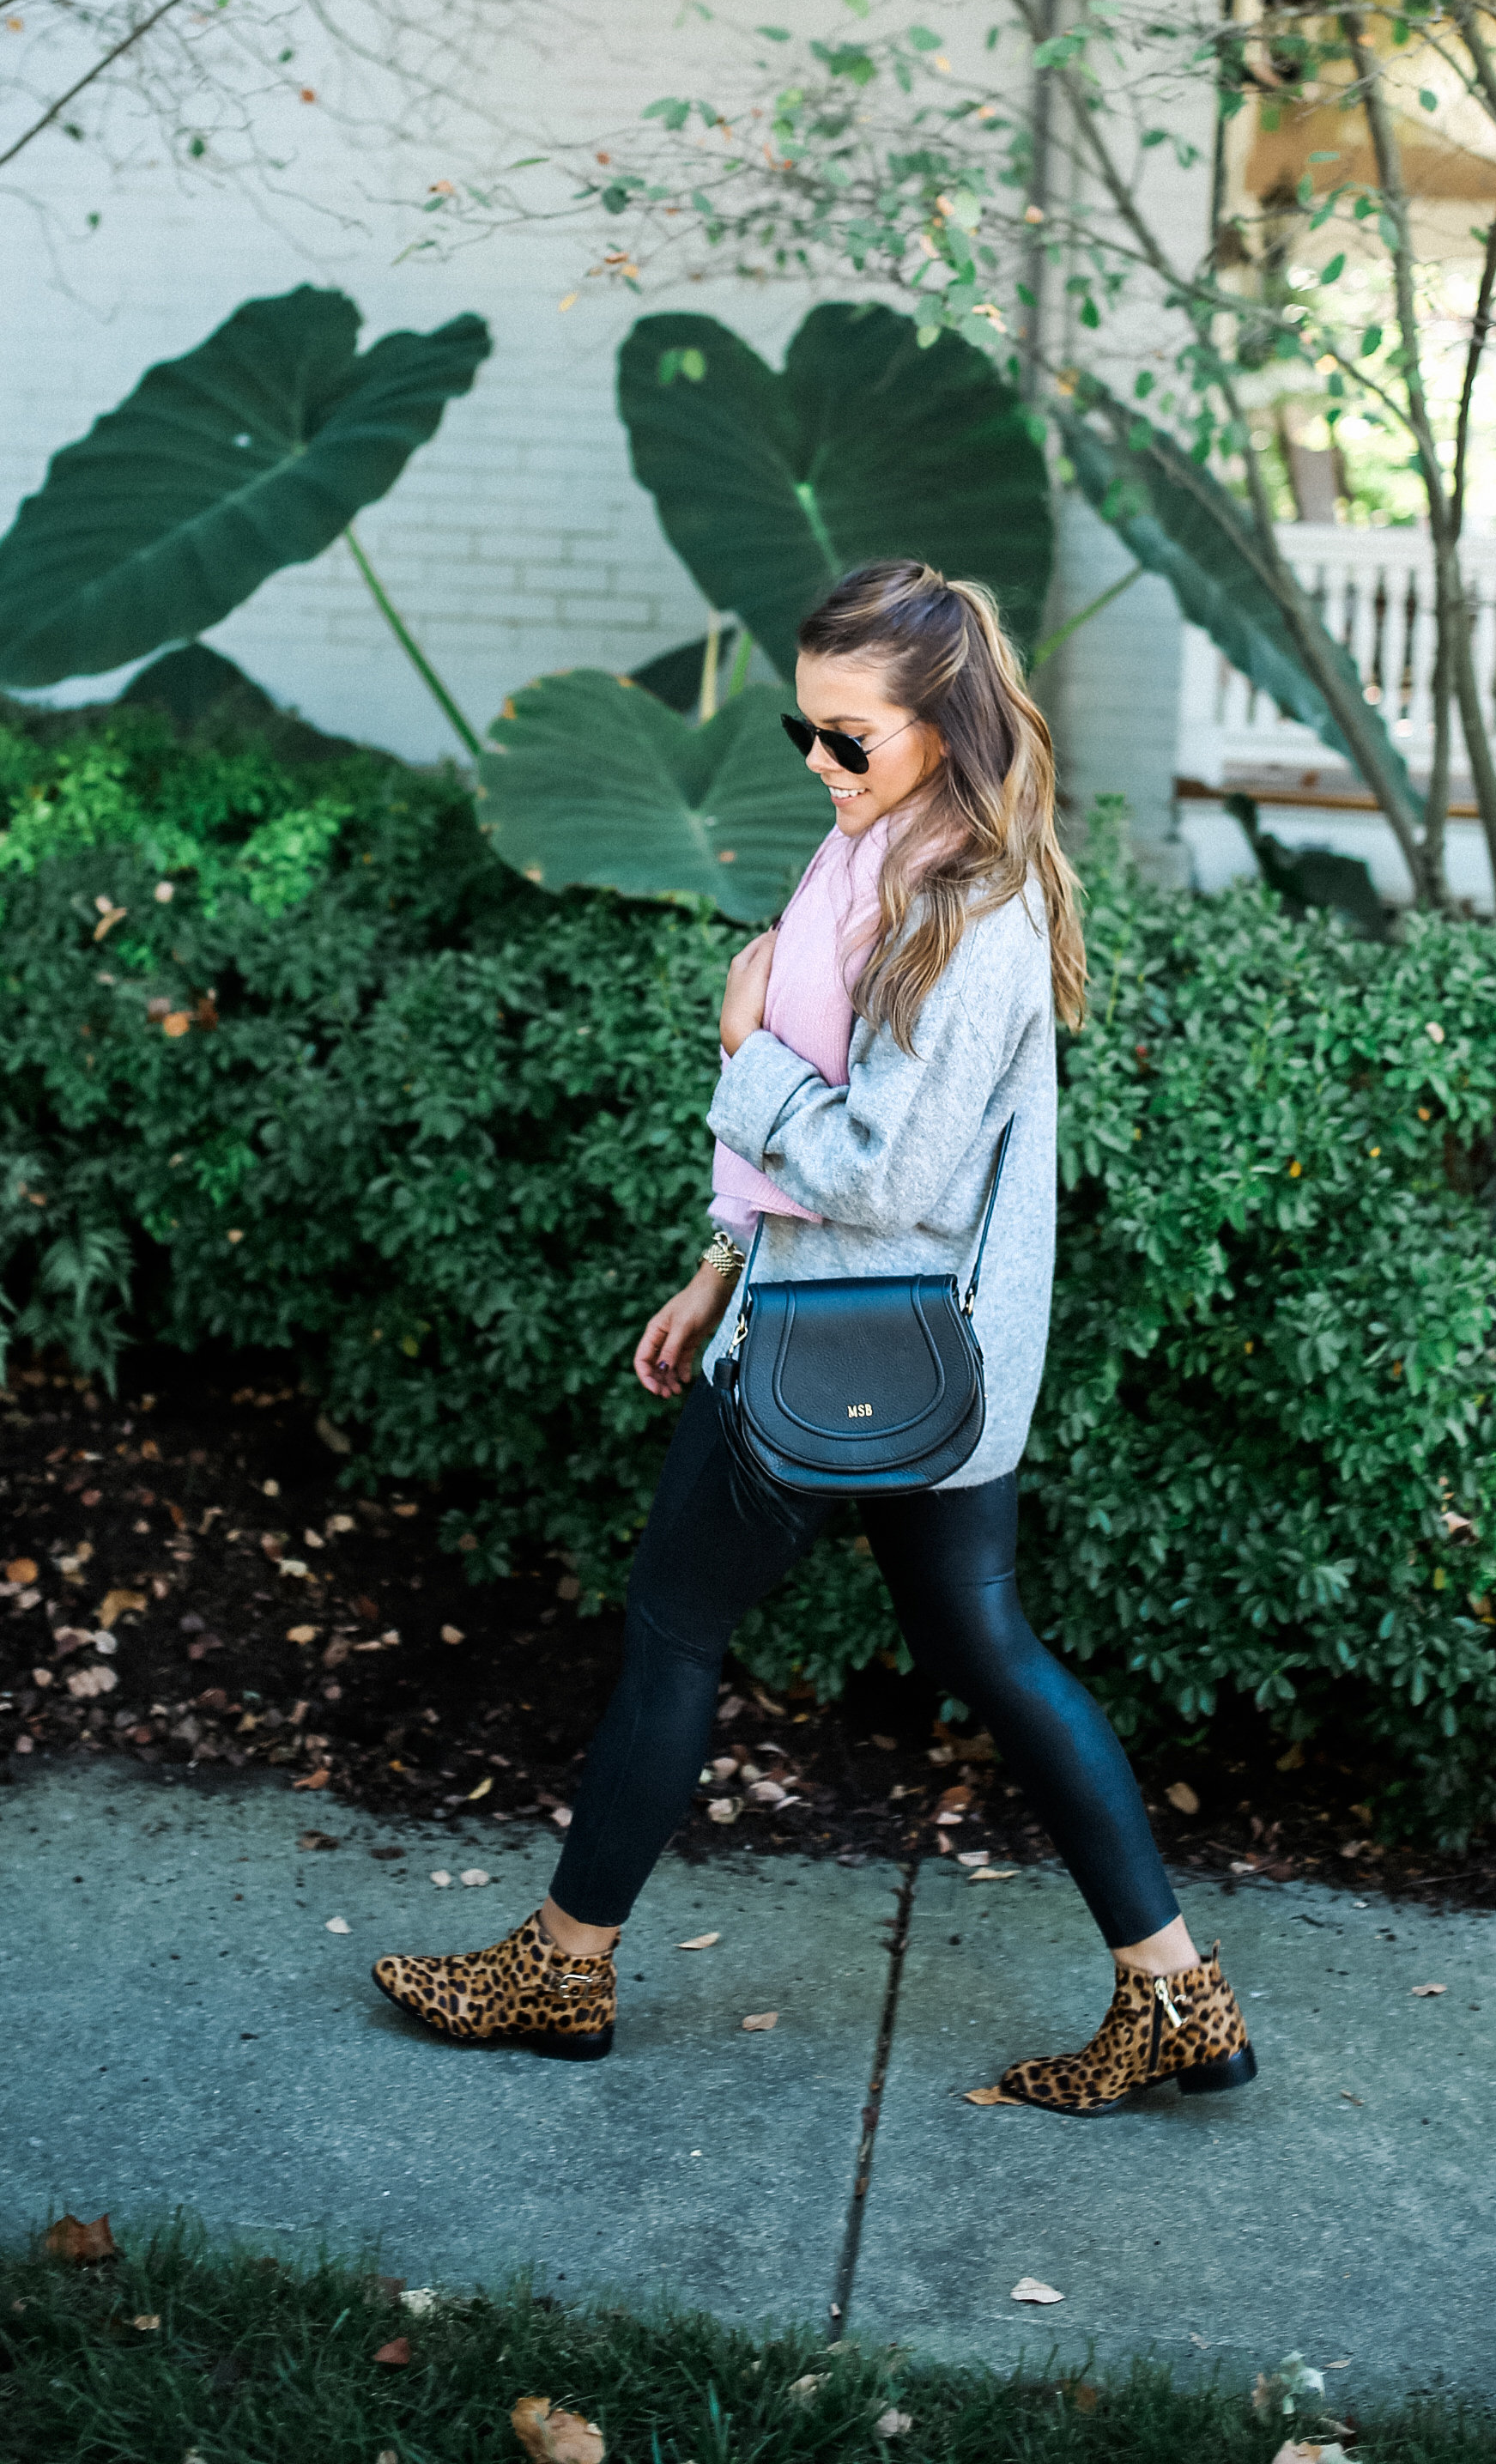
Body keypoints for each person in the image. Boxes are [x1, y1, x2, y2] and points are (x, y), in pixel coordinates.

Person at [373, 560, 1257, 2116]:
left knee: (672, 1626)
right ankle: (1177, 1998)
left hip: (852, 1345)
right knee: (984, 1648)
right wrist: (718, 1262)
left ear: (945, 729)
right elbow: (829, 1155)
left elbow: (883, 1170)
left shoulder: (966, 906)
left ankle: (562, 1968)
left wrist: (742, 1057)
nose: (819, 764)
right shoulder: (874, 862)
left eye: (853, 738)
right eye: (809, 727)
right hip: (883, 1343)